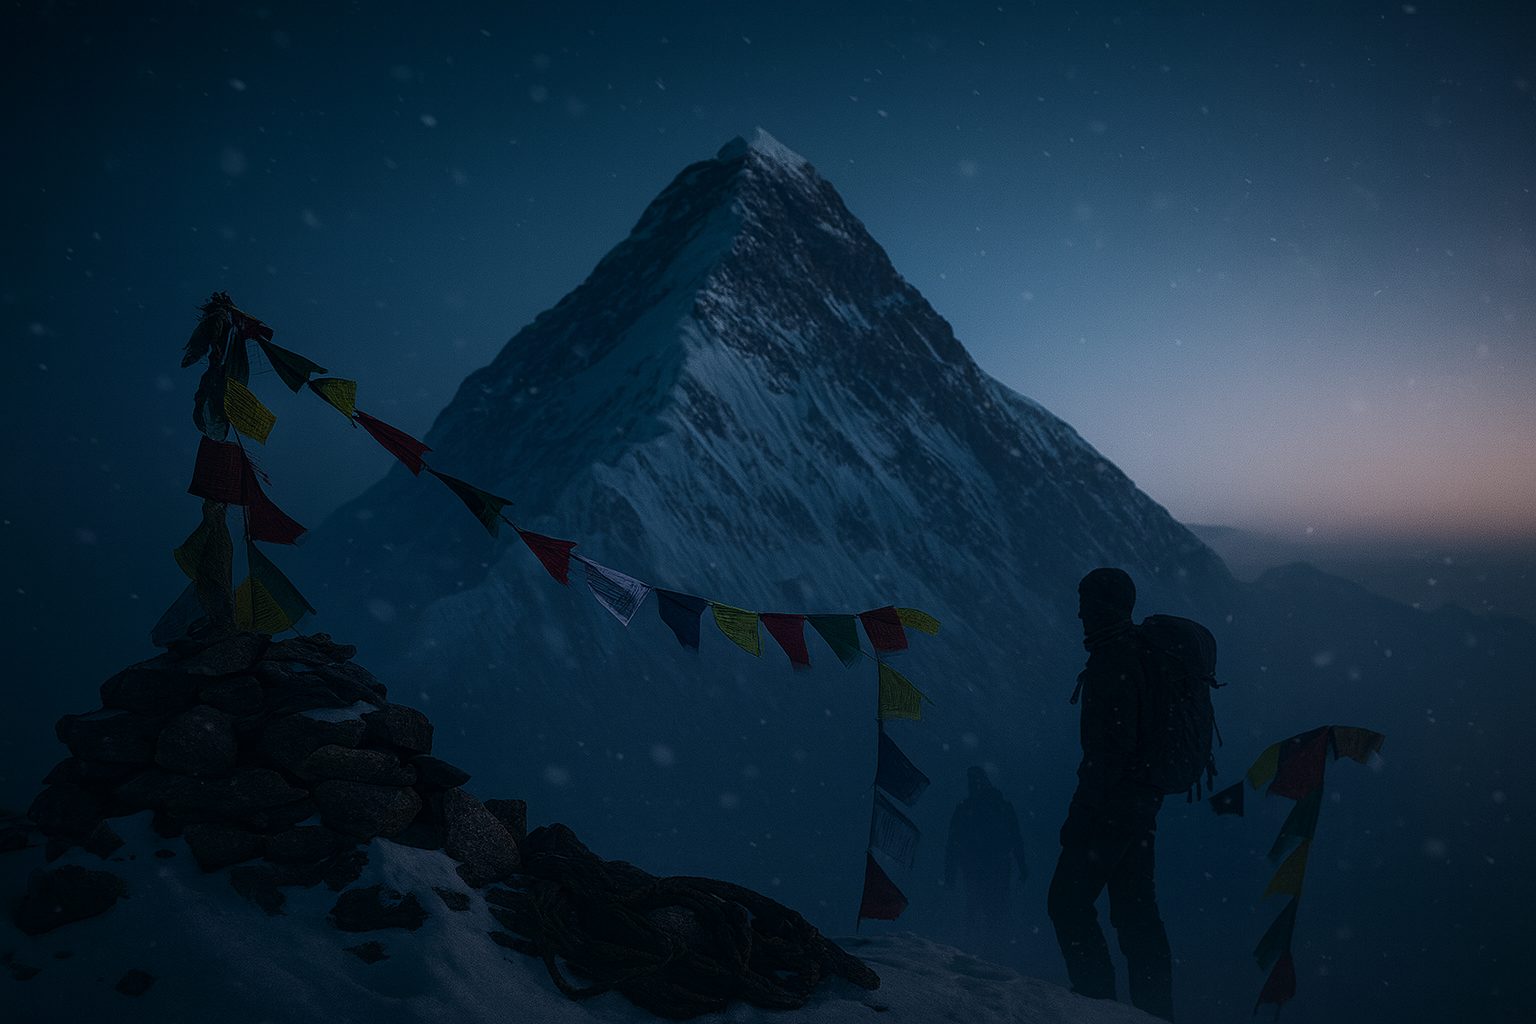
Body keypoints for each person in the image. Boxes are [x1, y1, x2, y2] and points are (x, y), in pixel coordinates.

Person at [1047, 567, 1175, 1021]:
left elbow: (1108, 755)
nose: (1080, 612)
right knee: (1137, 914)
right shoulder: (1141, 653)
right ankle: (1154, 1013)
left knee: (1067, 901)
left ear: (1106, 606)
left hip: (1113, 810)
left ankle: (1095, 1005)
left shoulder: (1112, 662)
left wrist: (1080, 817)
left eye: (1087, 602)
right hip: (1141, 806)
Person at [945, 765, 1028, 947]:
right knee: (990, 909)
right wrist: (1022, 866)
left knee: (980, 907)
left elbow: (953, 842)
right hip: (991, 866)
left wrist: (950, 871)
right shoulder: (999, 806)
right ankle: (987, 949)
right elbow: (1016, 838)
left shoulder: (970, 808)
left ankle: (982, 949)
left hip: (982, 866)